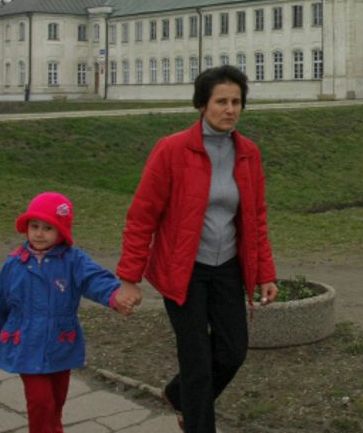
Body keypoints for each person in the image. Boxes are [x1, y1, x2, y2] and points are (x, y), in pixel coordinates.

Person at [116, 65, 278, 432]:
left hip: (227, 268)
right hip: (183, 270)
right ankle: (197, 421)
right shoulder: (173, 150)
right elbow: (142, 217)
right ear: (202, 105)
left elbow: (255, 219)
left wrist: (265, 273)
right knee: (197, 363)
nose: (230, 109)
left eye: (236, 101)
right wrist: (129, 278)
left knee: (233, 351)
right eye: (221, 101)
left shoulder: (249, 153)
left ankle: (178, 393)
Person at [0, 191, 135, 433]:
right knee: (40, 401)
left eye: (48, 228)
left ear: (61, 231)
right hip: (26, 344)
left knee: (56, 400)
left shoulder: (73, 260)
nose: (39, 233)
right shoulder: (14, 263)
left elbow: (94, 280)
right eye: (35, 226)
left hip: (60, 342)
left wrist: (115, 296)